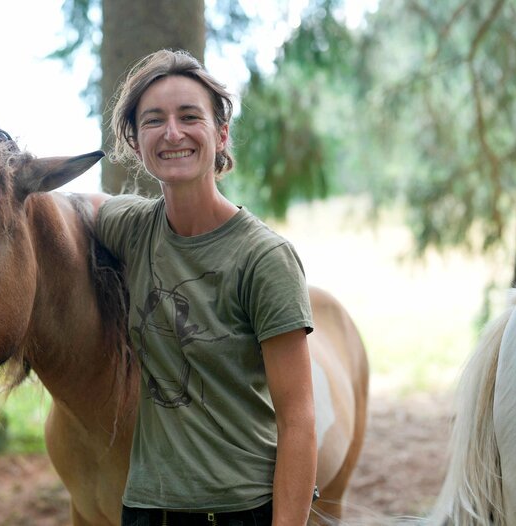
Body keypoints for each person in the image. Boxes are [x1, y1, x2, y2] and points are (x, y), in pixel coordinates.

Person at [86, 49, 317, 526]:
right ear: (136, 143)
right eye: (153, 121)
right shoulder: (134, 229)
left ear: (221, 133)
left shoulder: (264, 258)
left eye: (189, 117)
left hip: (241, 511)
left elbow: (298, 419)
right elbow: (79, 206)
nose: (172, 133)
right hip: (147, 508)